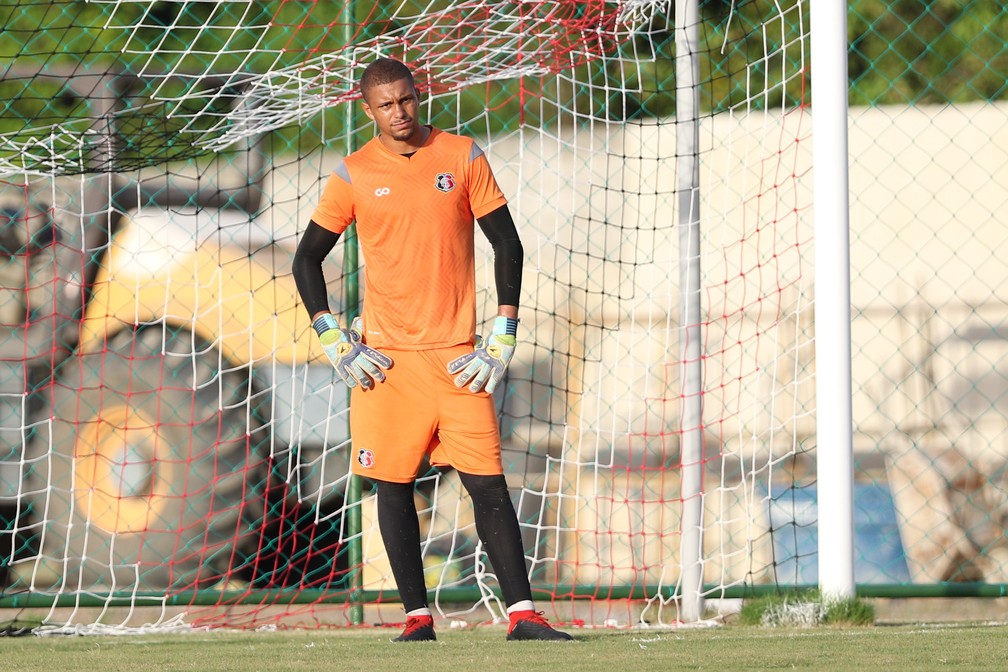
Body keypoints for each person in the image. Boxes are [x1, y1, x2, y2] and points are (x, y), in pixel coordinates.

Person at [291, 57, 573, 643]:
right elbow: (306, 259)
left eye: (407, 99)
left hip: (456, 358)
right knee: (391, 487)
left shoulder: (462, 154)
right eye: (386, 104)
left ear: (419, 95)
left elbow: (507, 243)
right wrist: (331, 336)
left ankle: (523, 616)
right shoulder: (353, 173)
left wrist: (504, 332)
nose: (400, 112)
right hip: (386, 365)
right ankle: (418, 620)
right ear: (366, 110)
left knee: (488, 483)